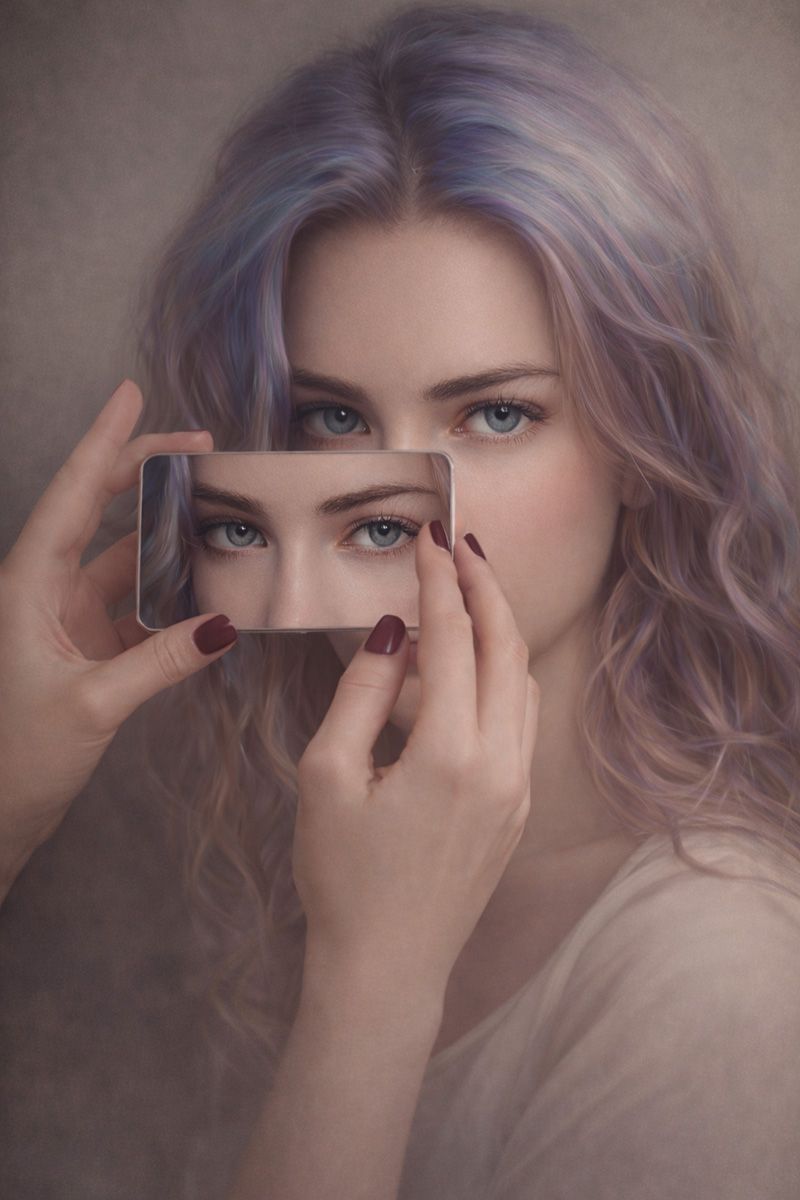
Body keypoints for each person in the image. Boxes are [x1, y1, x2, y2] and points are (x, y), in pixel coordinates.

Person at [2, 4, 800, 1198]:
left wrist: (369, 995)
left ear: (645, 442)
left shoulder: (716, 984)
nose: (399, 516)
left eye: (494, 414)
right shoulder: (328, 867)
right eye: (333, 419)